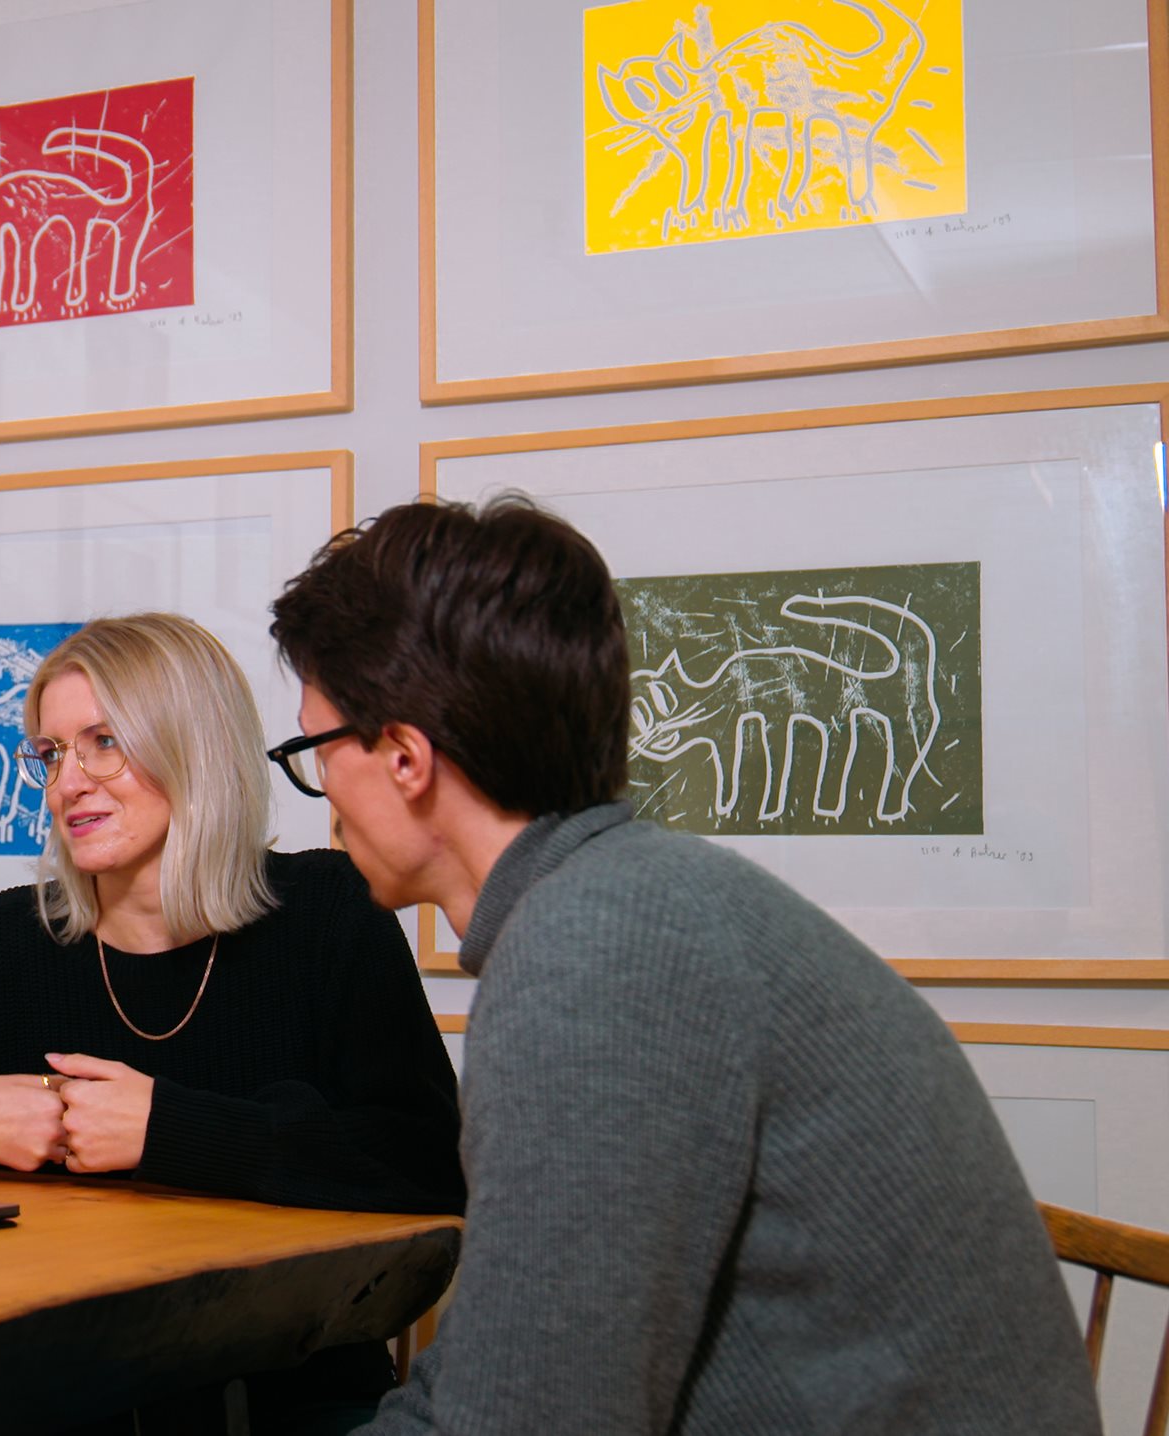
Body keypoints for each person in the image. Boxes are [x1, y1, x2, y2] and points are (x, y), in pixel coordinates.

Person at [266, 498, 1099, 1434]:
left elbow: (532, 1418)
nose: (322, 790)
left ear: (405, 756)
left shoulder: (595, 954)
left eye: (315, 749)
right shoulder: (622, 903)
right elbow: (506, 1350)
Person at [0, 612, 463, 1427]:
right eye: (51, 755)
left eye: (103, 743)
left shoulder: (329, 913)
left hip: (284, 1399)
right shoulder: (15, 936)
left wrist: (169, 1129)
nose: (66, 784)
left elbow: (424, 1166)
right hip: (53, 1397)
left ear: (193, 746)